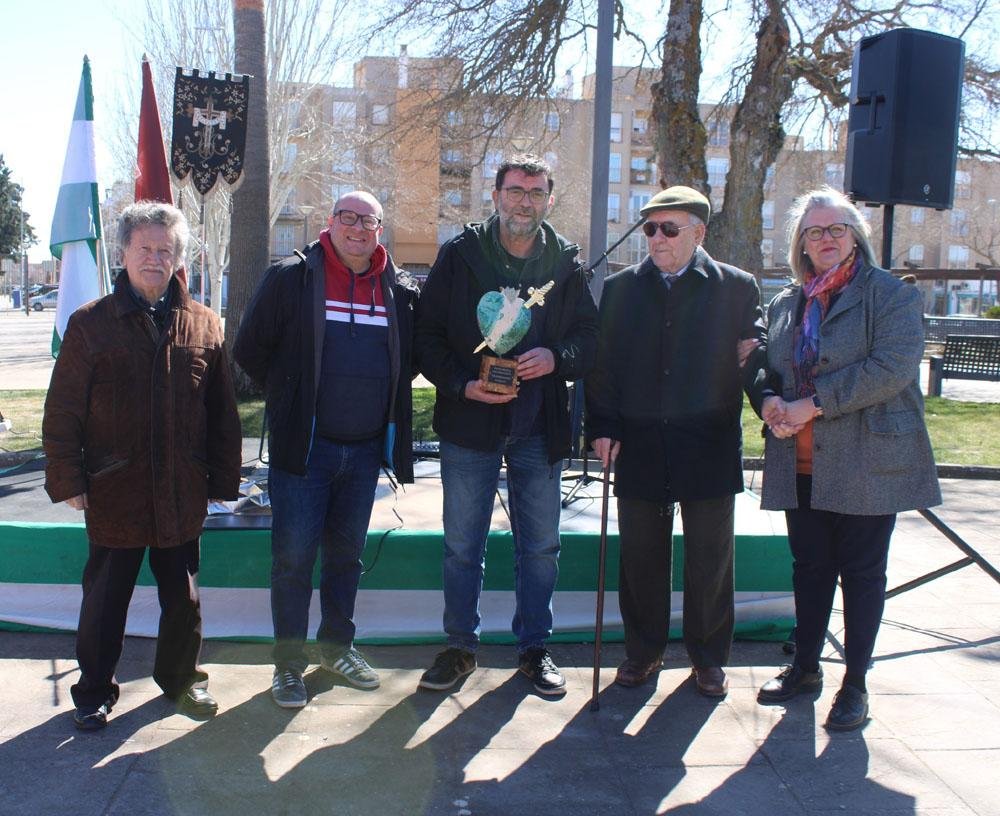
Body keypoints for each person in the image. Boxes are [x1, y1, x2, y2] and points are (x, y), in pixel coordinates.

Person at [42, 201, 242, 730]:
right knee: (106, 600)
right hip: (115, 489)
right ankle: (93, 691)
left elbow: (222, 412)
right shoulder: (90, 325)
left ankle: (180, 680)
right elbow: (61, 410)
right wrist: (68, 479)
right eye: (145, 248)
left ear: (178, 258)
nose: (155, 258)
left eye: (166, 250)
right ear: (124, 252)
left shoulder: (203, 324)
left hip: (181, 488)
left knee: (184, 601)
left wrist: (223, 477)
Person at [749, 186, 941, 730]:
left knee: (861, 574)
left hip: (867, 459)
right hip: (800, 459)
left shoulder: (890, 295)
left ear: (855, 235)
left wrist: (811, 404)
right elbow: (767, 363)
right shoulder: (788, 301)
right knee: (809, 570)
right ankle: (805, 669)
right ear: (801, 244)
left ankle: (854, 684)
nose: (826, 239)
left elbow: (892, 368)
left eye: (836, 229)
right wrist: (770, 402)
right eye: (815, 231)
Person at [415, 154, 598, 695]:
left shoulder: (564, 263)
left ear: (548, 199)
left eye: (536, 192)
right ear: (495, 195)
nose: (525, 201)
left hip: (538, 428)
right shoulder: (460, 256)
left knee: (541, 546)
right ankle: (459, 648)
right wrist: (460, 383)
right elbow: (426, 336)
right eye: (516, 190)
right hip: (469, 423)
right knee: (462, 544)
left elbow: (589, 339)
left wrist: (557, 358)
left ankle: (533, 648)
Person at [233, 191, 419, 709]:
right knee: (292, 561)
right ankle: (288, 666)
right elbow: (249, 349)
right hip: (305, 453)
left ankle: (337, 647)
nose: (358, 228)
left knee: (346, 558)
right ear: (329, 222)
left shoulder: (398, 289)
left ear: (380, 229)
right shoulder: (292, 278)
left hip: (363, 455)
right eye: (348, 217)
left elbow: (412, 360)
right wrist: (292, 395)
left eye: (370, 220)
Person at [586, 186, 766, 697]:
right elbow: (603, 367)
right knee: (641, 557)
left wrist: (761, 358)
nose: (657, 239)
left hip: (706, 442)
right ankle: (643, 652)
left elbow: (756, 343)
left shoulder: (736, 286)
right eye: (650, 229)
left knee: (710, 558)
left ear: (699, 232)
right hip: (639, 442)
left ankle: (708, 658)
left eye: (669, 228)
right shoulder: (621, 289)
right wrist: (601, 426)